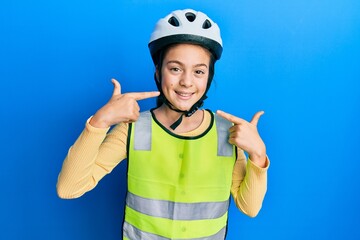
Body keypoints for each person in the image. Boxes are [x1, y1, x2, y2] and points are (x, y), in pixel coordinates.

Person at [57, 9, 269, 240]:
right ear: (158, 72)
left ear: (208, 77)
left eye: (199, 71)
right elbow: (69, 189)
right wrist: (100, 122)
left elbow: (250, 208)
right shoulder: (134, 129)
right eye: (175, 69)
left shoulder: (227, 134)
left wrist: (258, 155)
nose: (187, 82)